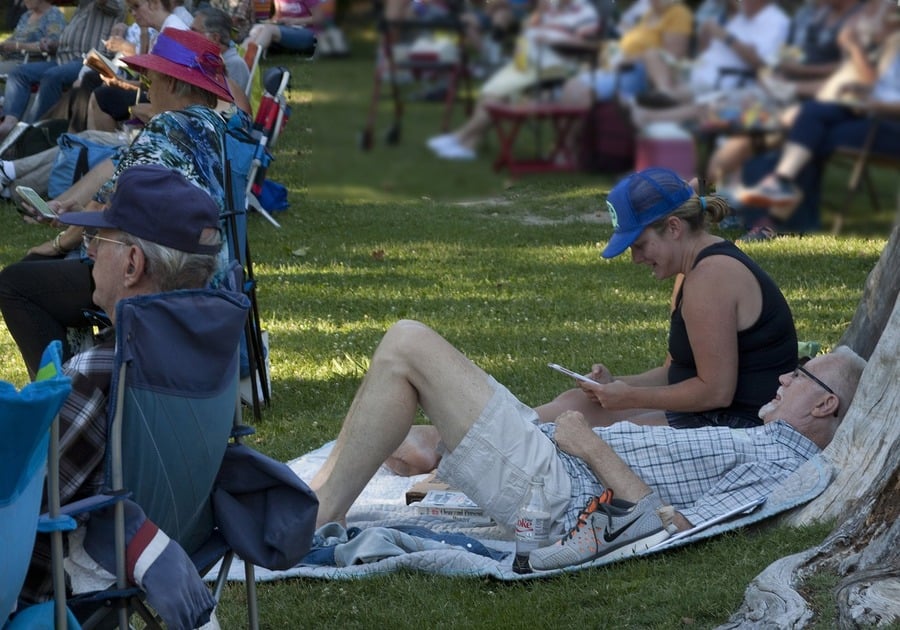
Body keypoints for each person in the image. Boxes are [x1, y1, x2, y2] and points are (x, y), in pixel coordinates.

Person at [309, 317, 865, 570]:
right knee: (408, 384)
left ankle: (311, 516)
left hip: (559, 493)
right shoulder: (762, 443)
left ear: (824, 405)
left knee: (408, 343)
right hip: (553, 462)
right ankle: (323, 497)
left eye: (801, 375)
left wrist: (587, 444)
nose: (785, 378)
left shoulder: (782, 463)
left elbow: (671, 528)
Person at [20, 164, 224, 602]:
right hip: (177, 545)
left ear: (133, 264)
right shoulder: (209, 357)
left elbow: (25, 502)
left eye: (98, 240)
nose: (90, 252)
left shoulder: (98, 372)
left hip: (48, 584)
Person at [0, 27, 248, 379]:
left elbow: (108, 210)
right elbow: (117, 172)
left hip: (155, 275)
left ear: (175, 83)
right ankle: (86, 369)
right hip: (209, 273)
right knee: (47, 275)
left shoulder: (166, 129)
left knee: (17, 283)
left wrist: (56, 243)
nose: (145, 85)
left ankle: (63, 394)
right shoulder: (217, 127)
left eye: (151, 77)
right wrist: (70, 205)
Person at [533, 167, 797, 431]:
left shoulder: (711, 278)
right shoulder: (694, 270)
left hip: (740, 425)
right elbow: (674, 372)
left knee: (598, 436)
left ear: (673, 227)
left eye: (639, 245)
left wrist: (630, 397)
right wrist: (616, 386)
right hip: (711, 414)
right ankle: (504, 430)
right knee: (575, 403)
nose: (636, 259)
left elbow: (716, 392)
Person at [734, 21, 900, 237]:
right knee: (811, 117)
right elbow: (887, 87)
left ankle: (774, 215)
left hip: (889, 124)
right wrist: (861, 89)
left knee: (811, 134)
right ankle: (780, 203)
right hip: (869, 113)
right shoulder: (895, 42)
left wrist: (875, 105)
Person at [426, 0, 599, 161]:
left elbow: (591, 46)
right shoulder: (549, 6)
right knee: (491, 94)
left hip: (553, 68)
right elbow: (529, 23)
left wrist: (558, 39)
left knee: (498, 96)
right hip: (527, 61)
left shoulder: (585, 12)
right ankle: (467, 144)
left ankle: (460, 137)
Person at [0, 0, 124, 141]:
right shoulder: (82, 6)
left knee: (52, 76)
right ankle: (9, 123)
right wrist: (53, 44)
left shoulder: (112, 4)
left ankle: (31, 131)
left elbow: (109, 4)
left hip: (88, 60)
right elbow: (70, 39)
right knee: (19, 73)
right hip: (62, 58)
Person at [83, 0, 191, 132]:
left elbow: (167, 89)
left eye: (136, 7)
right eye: (130, 9)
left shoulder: (172, 31)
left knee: (101, 96)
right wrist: (122, 83)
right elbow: (149, 82)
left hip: (171, 105)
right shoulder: (162, 30)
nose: (133, 13)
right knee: (95, 82)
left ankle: (106, 148)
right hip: (159, 96)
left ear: (155, 3)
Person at [0, 0, 67, 77]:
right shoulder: (26, 15)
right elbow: (15, 37)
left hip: (30, 62)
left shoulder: (54, 15)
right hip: (12, 59)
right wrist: (3, 45)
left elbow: (52, 45)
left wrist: (18, 46)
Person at [242, 0, 321, 57]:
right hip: (286, 29)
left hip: (307, 32)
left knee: (269, 29)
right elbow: (277, 16)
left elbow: (319, 18)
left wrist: (295, 21)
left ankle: (250, 57)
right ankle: (240, 55)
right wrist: (275, 21)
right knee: (257, 28)